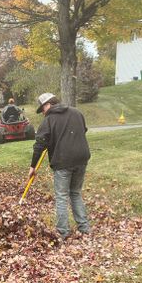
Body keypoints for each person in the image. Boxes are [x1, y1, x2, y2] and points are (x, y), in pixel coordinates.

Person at [28, 92, 91, 240]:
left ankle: (63, 232)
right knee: (75, 193)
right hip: (82, 158)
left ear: (48, 105)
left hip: (63, 161)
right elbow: (83, 130)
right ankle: (84, 228)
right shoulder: (76, 112)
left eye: (42, 109)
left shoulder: (49, 120)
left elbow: (39, 145)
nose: (43, 113)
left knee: (62, 196)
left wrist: (32, 167)